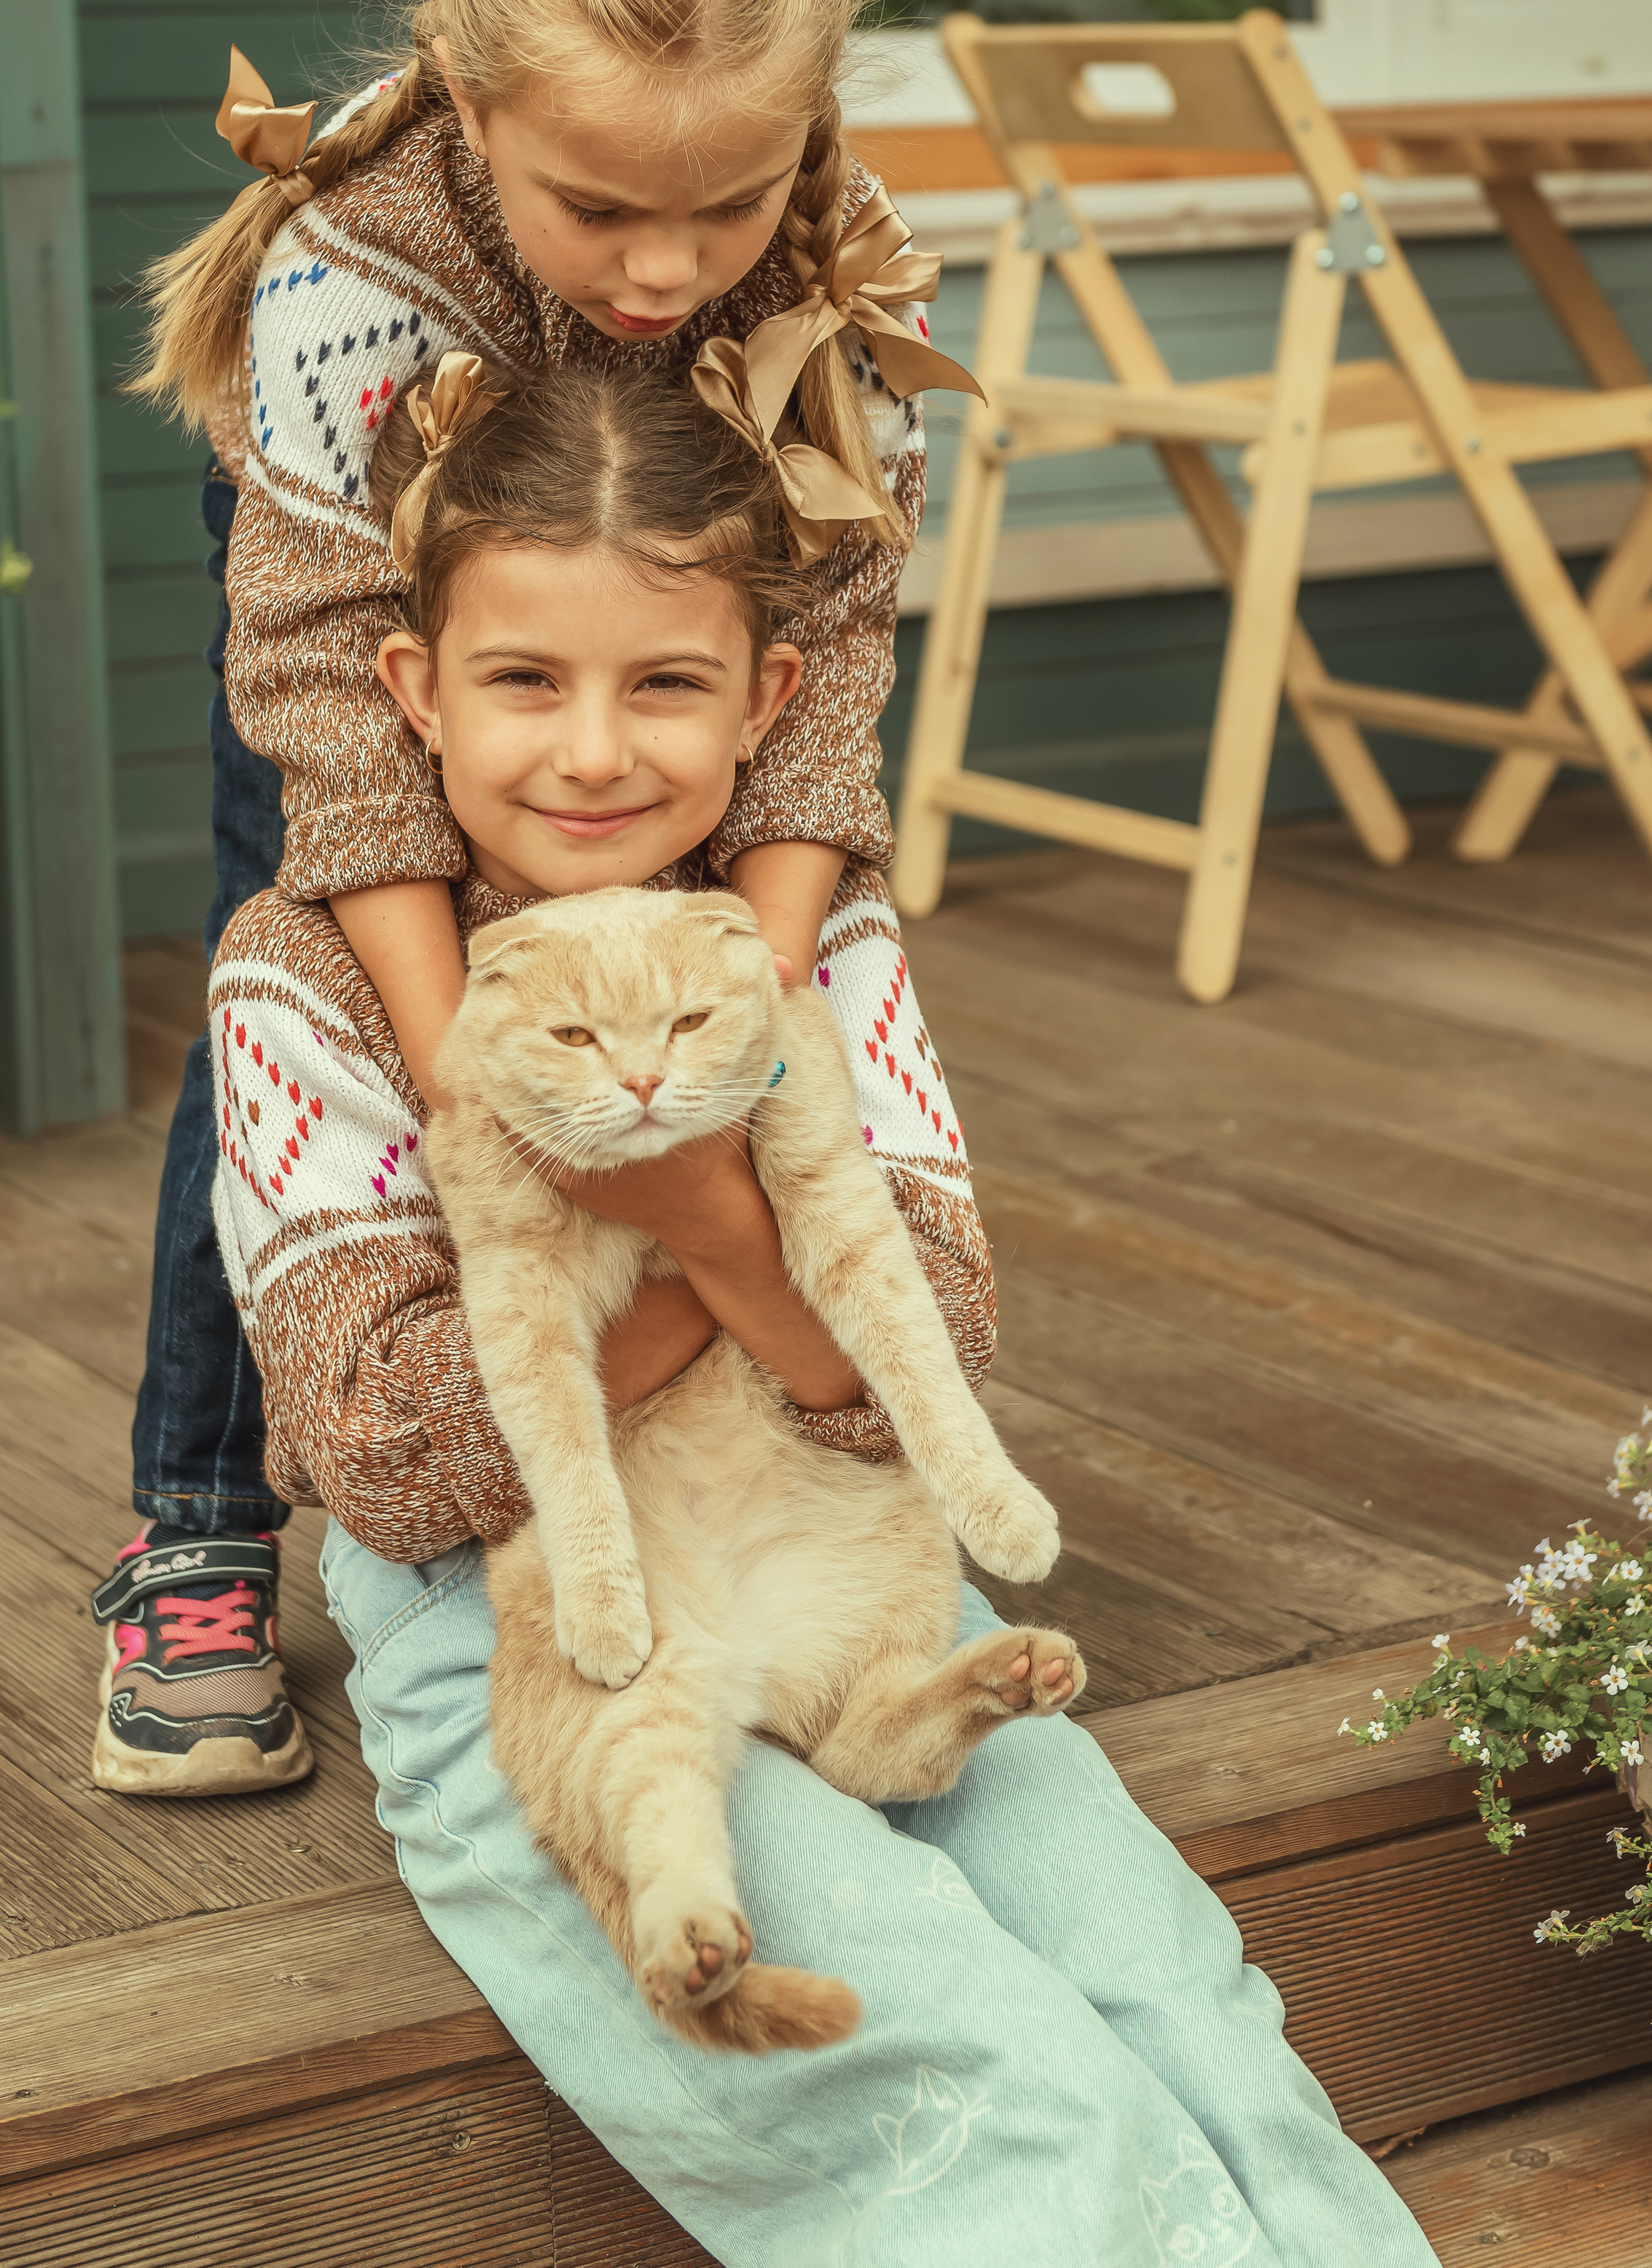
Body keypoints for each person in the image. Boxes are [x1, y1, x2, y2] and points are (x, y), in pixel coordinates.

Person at [206, 361, 1436, 2268]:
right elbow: (375, 1457)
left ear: (766, 696)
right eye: (528, 679)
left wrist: (684, 1210)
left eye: (667, 682)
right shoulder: (303, 980)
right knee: (994, 2074)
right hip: (536, 1635)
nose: (596, 752)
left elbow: (938, 1317)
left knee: (1175, 1988)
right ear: (414, 689)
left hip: (850, 1570)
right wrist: (718, 1245)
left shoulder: (787, 940)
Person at [90, 0, 979, 1796]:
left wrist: (729, 1040)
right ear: (475, 106)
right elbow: (332, 722)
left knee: (721, 1032)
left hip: (688, 634)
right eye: (601, 208)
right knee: (296, 980)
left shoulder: (853, 271)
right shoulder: (353, 270)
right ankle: (202, 1511)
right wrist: (483, 1073)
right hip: (370, 617)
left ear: (809, 132)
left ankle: (727, 1428)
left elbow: (825, 675)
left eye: (726, 206)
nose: (667, 272)